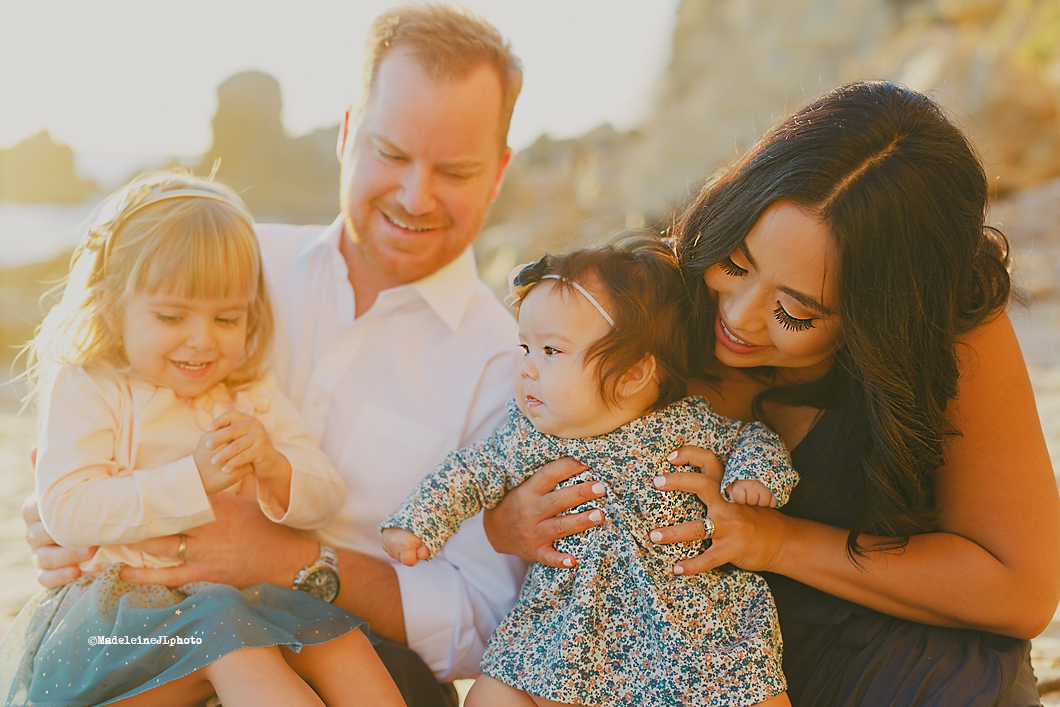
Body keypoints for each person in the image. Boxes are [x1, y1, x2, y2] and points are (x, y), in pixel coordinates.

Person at [23, 5, 545, 706]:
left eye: (454, 169)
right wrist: (60, 521)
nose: (415, 196)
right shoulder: (232, 267)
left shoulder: (510, 367)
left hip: (362, 656)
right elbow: (97, 421)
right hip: (159, 633)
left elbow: (483, 624)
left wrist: (295, 561)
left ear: (499, 171)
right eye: (392, 154)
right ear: (348, 133)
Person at [484, 81, 1060, 706]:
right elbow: (520, 449)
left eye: (795, 312)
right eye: (735, 263)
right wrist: (506, 523)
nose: (738, 318)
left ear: (880, 318)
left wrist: (776, 540)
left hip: (911, 652)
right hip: (695, 661)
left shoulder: (952, 324)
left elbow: (1020, 591)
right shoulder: (642, 310)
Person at [2, 171, 404, 707]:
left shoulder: (249, 393)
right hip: (116, 626)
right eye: (171, 316)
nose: (201, 339)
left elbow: (326, 496)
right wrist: (193, 478)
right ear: (110, 307)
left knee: (341, 641)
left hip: (234, 601)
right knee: (234, 644)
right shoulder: (91, 386)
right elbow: (67, 510)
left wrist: (275, 467)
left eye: (227, 318)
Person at [381, 236, 798, 707]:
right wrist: (419, 519)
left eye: (551, 351)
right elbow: (472, 471)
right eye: (525, 348)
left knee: (746, 691)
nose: (527, 369)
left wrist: (754, 477)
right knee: (491, 695)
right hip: (566, 629)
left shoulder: (686, 426)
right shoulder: (530, 437)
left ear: (633, 374)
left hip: (687, 629)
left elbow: (751, 437)